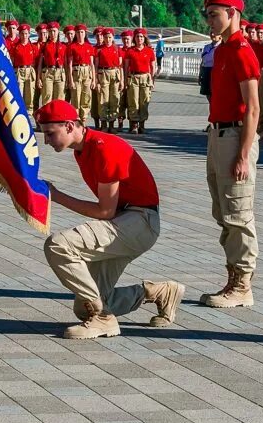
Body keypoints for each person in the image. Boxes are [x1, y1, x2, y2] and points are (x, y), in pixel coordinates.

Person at [37, 100, 184, 338]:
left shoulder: (103, 148)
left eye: (50, 133)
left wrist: (56, 196)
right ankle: (159, 292)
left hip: (140, 221)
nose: (46, 140)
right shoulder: (83, 149)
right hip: (127, 220)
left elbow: (105, 212)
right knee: (83, 308)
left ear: (69, 126)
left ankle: (103, 318)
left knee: (58, 245)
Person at [199, 0, 260, 308]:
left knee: (238, 213)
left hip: (236, 137)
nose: (209, 21)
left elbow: (253, 108)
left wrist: (243, 155)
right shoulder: (222, 50)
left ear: (233, 13)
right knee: (223, 212)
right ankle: (233, 276)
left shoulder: (241, 51)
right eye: (208, 15)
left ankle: (243, 284)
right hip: (218, 134)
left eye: (214, 14)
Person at [124, 28, 156, 133]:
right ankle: (134, 124)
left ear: (144, 38)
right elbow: (126, 67)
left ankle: (142, 124)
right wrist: (125, 80)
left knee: (144, 101)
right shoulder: (130, 51)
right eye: (137, 37)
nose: (139, 39)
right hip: (133, 77)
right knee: (133, 101)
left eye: (141, 37)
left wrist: (152, 80)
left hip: (145, 77)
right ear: (134, 38)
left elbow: (153, 66)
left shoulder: (149, 51)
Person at [95, 28, 123, 132]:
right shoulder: (99, 49)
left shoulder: (117, 49)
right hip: (103, 73)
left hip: (115, 74)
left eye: (110, 37)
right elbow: (96, 65)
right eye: (106, 37)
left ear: (113, 37)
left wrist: (122, 80)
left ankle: (112, 124)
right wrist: (96, 80)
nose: (108, 39)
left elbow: (120, 66)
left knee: (114, 99)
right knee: (103, 99)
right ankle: (104, 124)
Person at [67, 24, 95, 123]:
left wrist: (94, 80)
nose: (80, 34)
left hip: (87, 71)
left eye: (82, 32)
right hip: (76, 71)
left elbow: (92, 64)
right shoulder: (72, 46)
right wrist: (70, 80)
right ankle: (76, 118)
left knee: (86, 96)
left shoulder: (89, 46)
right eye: (78, 32)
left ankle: (84, 119)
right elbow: (70, 64)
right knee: (76, 96)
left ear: (85, 33)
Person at [11, 24, 38, 115]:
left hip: (29, 70)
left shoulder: (33, 47)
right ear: (19, 35)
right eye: (22, 34)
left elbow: (35, 60)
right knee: (19, 91)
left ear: (29, 34)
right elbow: (12, 60)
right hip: (19, 70)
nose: (24, 36)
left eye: (26, 33)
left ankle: (29, 111)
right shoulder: (15, 47)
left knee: (30, 92)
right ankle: (19, 111)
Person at [199, 33, 220, 100]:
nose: (212, 34)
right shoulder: (207, 47)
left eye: (215, 34)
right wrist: (200, 75)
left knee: (215, 94)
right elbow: (203, 61)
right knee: (207, 93)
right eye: (211, 33)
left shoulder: (221, 47)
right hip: (206, 71)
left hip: (215, 72)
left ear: (220, 36)